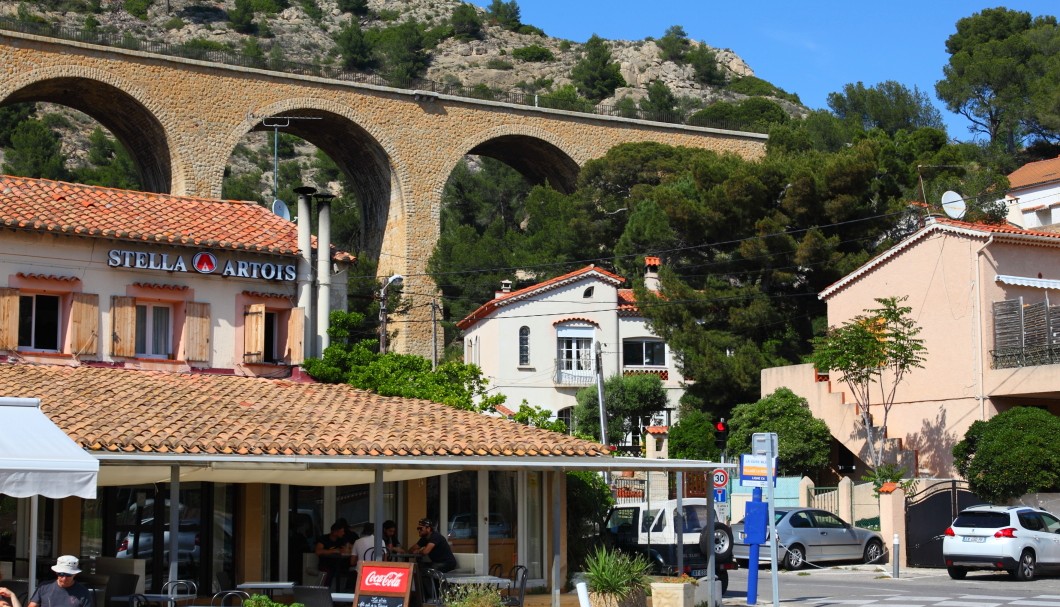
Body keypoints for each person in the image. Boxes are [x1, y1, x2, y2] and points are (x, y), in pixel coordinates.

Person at [315, 521, 350, 591]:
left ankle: (343, 596)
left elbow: (349, 548)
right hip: (326, 564)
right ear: (335, 532)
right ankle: (324, 594)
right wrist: (334, 550)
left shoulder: (342, 539)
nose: (343, 533)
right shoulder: (324, 539)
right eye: (341, 531)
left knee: (350, 573)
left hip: (339, 564)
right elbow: (318, 551)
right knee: (329, 573)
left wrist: (347, 549)